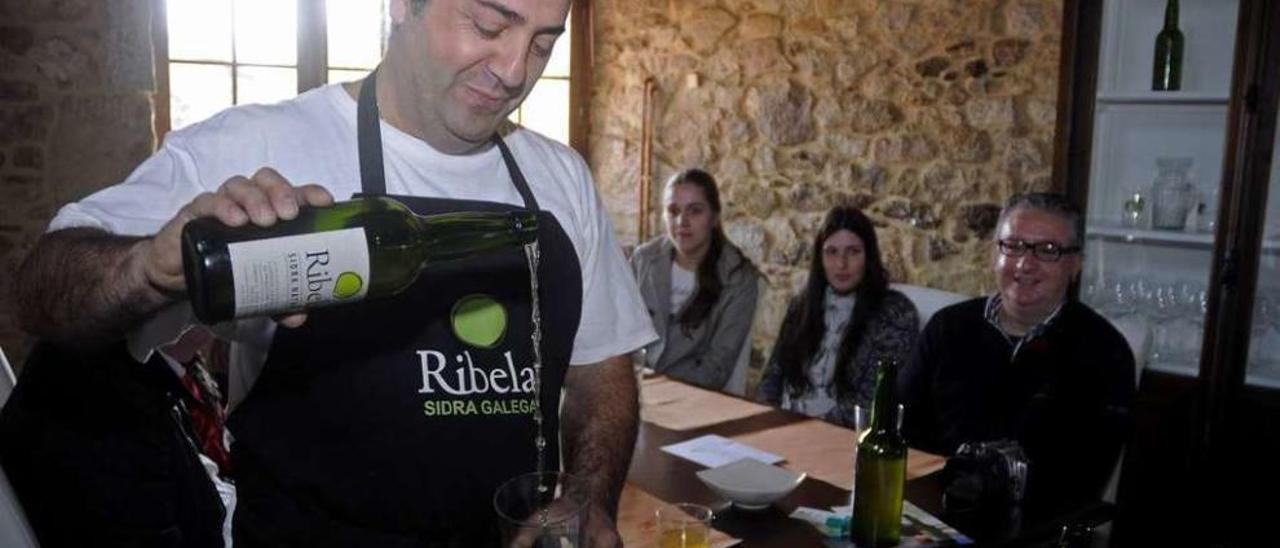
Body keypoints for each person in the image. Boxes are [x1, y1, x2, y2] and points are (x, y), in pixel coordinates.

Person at [4, 0, 656, 546]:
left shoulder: (560, 177)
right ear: (402, 5)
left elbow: (602, 369)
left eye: (543, 43)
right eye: (489, 26)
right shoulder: (255, 147)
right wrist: (148, 268)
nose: (515, 71)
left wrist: (588, 495)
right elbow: (44, 290)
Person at [898, 193, 1135, 501]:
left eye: (1048, 250)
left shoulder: (1104, 353)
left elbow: (1080, 482)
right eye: (1013, 246)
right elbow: (900, 428)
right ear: (994, 253)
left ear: (1075, 264)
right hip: (931, 511)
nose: (1025, 263)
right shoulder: (947, 328)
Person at [756, 206, 918, 427]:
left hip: (840, 435)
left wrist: (809, 430)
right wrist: (768, 420)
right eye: (831, 252)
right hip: (784, 424)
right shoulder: (802, 305)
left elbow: (872, 401)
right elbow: (772, 378)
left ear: (868, 256)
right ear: (820, 258)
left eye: (853, 252)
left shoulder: (894, 313)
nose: (841, 264)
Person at [630, 169, 760, 391]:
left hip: (690, 396)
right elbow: (618, 332)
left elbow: (716, 366)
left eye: (695, 211)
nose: (682, 221)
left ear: (715, 217)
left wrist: (658, 386)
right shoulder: (643, 259)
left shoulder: (739, 279)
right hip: (632, 387)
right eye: (673, 211)